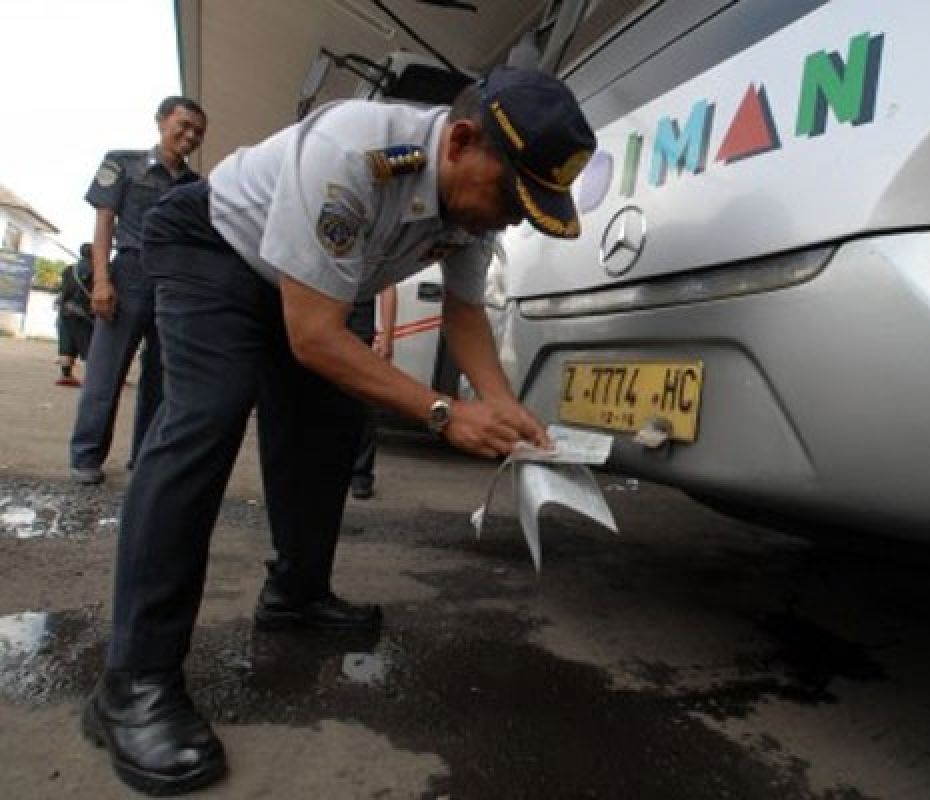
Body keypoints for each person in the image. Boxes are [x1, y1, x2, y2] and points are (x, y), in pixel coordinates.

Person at [81, 66, 595, 794]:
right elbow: (314, 337)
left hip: (321, 279)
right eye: (512, 197)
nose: (512, 218)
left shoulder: (468, 204)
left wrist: (502, 402)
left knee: (325, 433)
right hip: (217, 247)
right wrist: (444, 413)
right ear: (461, 141)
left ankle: (296, 595)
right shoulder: (358, 153)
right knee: (204, 422)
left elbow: (466, 310)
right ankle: (131, 683)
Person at [68, 96, 208, 485]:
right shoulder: (123, 163)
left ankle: (145, 458)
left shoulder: (197, 186)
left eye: (198, 132)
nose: (190, 136)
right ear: (161, 122)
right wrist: (101, 280)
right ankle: (86, 455)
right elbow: (104, 224)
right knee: (106, 370)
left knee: (161, 375)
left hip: (174, 283)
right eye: (184, 126)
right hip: (128, 273)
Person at [349, 284, 397, 499]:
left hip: (359, 318)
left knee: (363, 397)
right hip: (326, 308)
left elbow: (387, 286)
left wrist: (387, 338)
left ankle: (361, 472)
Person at [54, 243, 95, 387]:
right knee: (91, 345)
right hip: (85, 314)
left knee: (66, 343)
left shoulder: (69, 269)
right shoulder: (99, 270)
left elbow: (63, 290)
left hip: (66, 311)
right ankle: (94, 379)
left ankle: (66, 375)